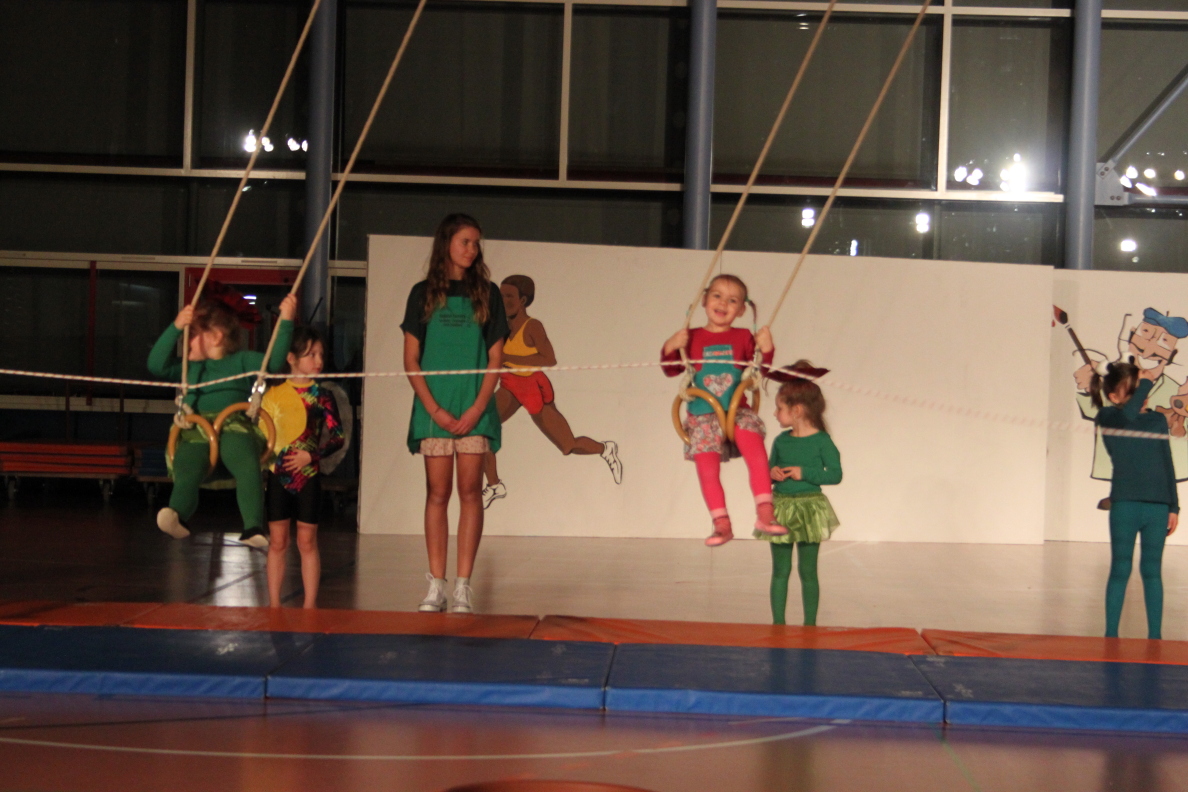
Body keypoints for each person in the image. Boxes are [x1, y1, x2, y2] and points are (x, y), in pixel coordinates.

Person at [402, 214, 508, 614]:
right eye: (465, 241)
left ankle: (463, 586)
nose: (472, 249)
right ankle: (437, 585)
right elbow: (411, 359)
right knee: (437, 492)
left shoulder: (488, 293)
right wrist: (434, 409)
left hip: (473, 408)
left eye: (476, 243)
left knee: (470, 492)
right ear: (446, 242)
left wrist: (478, 407)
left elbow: (495, 358)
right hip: (435, 409)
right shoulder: (422, 293)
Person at [148, 287, 296, 548]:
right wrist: (176, 326)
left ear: (216, 336)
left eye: (193, 334)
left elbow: (274, 364)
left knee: (246, 461)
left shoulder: (241, 361)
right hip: (196, 430)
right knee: (186, 466)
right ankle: (177, 515)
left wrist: (286, 321)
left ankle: (253, 526)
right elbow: (156, 365)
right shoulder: (191, 368)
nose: (187, 341)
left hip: (233, 426)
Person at [482, 274, 622, 508]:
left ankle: (605, 449)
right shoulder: (501, 326)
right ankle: (495, 485)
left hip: (532, 387)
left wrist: (507, 358)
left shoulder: (532, 326)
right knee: (482, 430)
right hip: (509, 386)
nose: (503, 301)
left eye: (509, 296)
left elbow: (549, 359)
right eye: (501, 296)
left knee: (568, 445)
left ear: (523, 300)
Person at [661, 274, 780, 546]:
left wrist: (767, 348)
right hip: (702, 414)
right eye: (717, 296)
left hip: (736, 411)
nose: (723, 303)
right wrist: (671, 346)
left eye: (732, 300)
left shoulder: (743, 336)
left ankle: (765, 512)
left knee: (756, 450)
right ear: (704, 300)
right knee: (707, 468)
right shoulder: (691, 337)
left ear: (742, 310)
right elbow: (671, 370)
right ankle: (721, 524)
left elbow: (763, 370)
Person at [1092, 360, 1179, 639]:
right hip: (1125, 504)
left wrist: (1174, 506)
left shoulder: (1156, 420)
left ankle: (1156, 638)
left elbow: (1167, 462)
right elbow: (1128, 416)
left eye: (1141, 389)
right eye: (1132, 391)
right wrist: (1145, 382)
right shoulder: (1109, 416)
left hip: (1157, 507)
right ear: (1113, 396)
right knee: (1121, 568)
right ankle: (1110, 635)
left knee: (1152, 571)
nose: (1141, 394)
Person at [264, 327, 344, 609]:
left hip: (309, 477)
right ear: (291, 358)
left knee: (307, 542)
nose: (318, 360)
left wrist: (311, 456)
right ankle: (274, 605)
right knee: (277, 542)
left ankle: (310, 606)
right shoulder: (273, 395)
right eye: (311, 354)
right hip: (277, 477)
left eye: (321, 354)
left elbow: (338, 437)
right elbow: (262, 436)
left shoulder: (323, 396)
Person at [758, 364, 842, 626]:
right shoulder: (781, 441)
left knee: (808, 571)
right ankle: (778, 624)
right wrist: (772, 474)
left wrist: (803, 472)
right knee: (780, 570)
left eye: (779, 408)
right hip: (781, 508)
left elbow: (835, 474)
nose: (775, 413)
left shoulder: (822, 441)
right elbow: (766, 473)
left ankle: (810, 626)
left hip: (809, 510)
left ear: (797, 410)